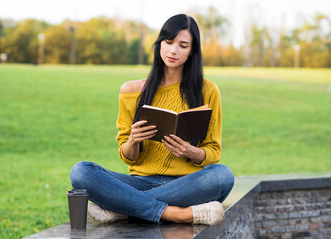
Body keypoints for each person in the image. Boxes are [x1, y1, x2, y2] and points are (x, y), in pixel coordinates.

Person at [70, 14, 234, 225]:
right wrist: (133, 140)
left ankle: (123, 208)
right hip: (138, 182)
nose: (173, 50)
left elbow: (213, 151)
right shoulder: (131, 90)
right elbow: (127, 156)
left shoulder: (208, 91)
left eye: (183, 45)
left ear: (192, 51)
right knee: (81, 172)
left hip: (186, 184)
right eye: (168, 42)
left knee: (222, 176)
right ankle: (177, 214)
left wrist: (190, 151)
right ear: (159, 44)